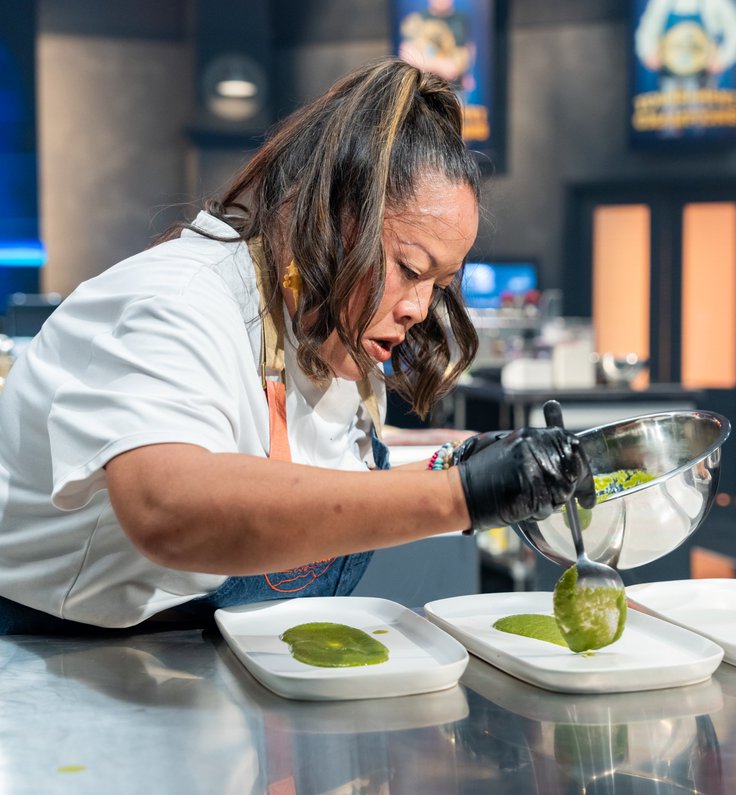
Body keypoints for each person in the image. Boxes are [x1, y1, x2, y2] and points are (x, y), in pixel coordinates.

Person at [0, 58, 595, 635]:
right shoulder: (180, 302)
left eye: (438, 285)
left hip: (192, 666)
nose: (418, 309)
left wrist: (458, 456)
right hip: (50, 663)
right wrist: (464, 494)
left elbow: (296, 449)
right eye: (409, 268)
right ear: (331, 215)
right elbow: (167, 506)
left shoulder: (323, 329)